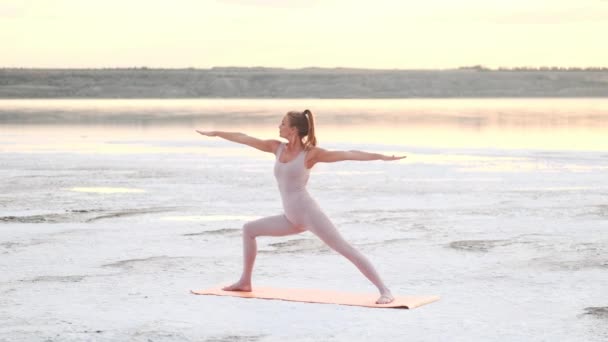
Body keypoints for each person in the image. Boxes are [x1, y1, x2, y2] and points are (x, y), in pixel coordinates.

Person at [195, 109, 406, 304]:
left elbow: (348, 154)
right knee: (249, 230)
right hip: (290, 217)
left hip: (309, 213)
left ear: (293, 129)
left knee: (344, 248)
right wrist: (216, 133)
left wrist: (381, 157)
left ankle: (384, 290)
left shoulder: (310, 154)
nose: (279, 127)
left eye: (283, 123)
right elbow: (244, 138)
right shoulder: (275, 147)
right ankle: (245, 282)